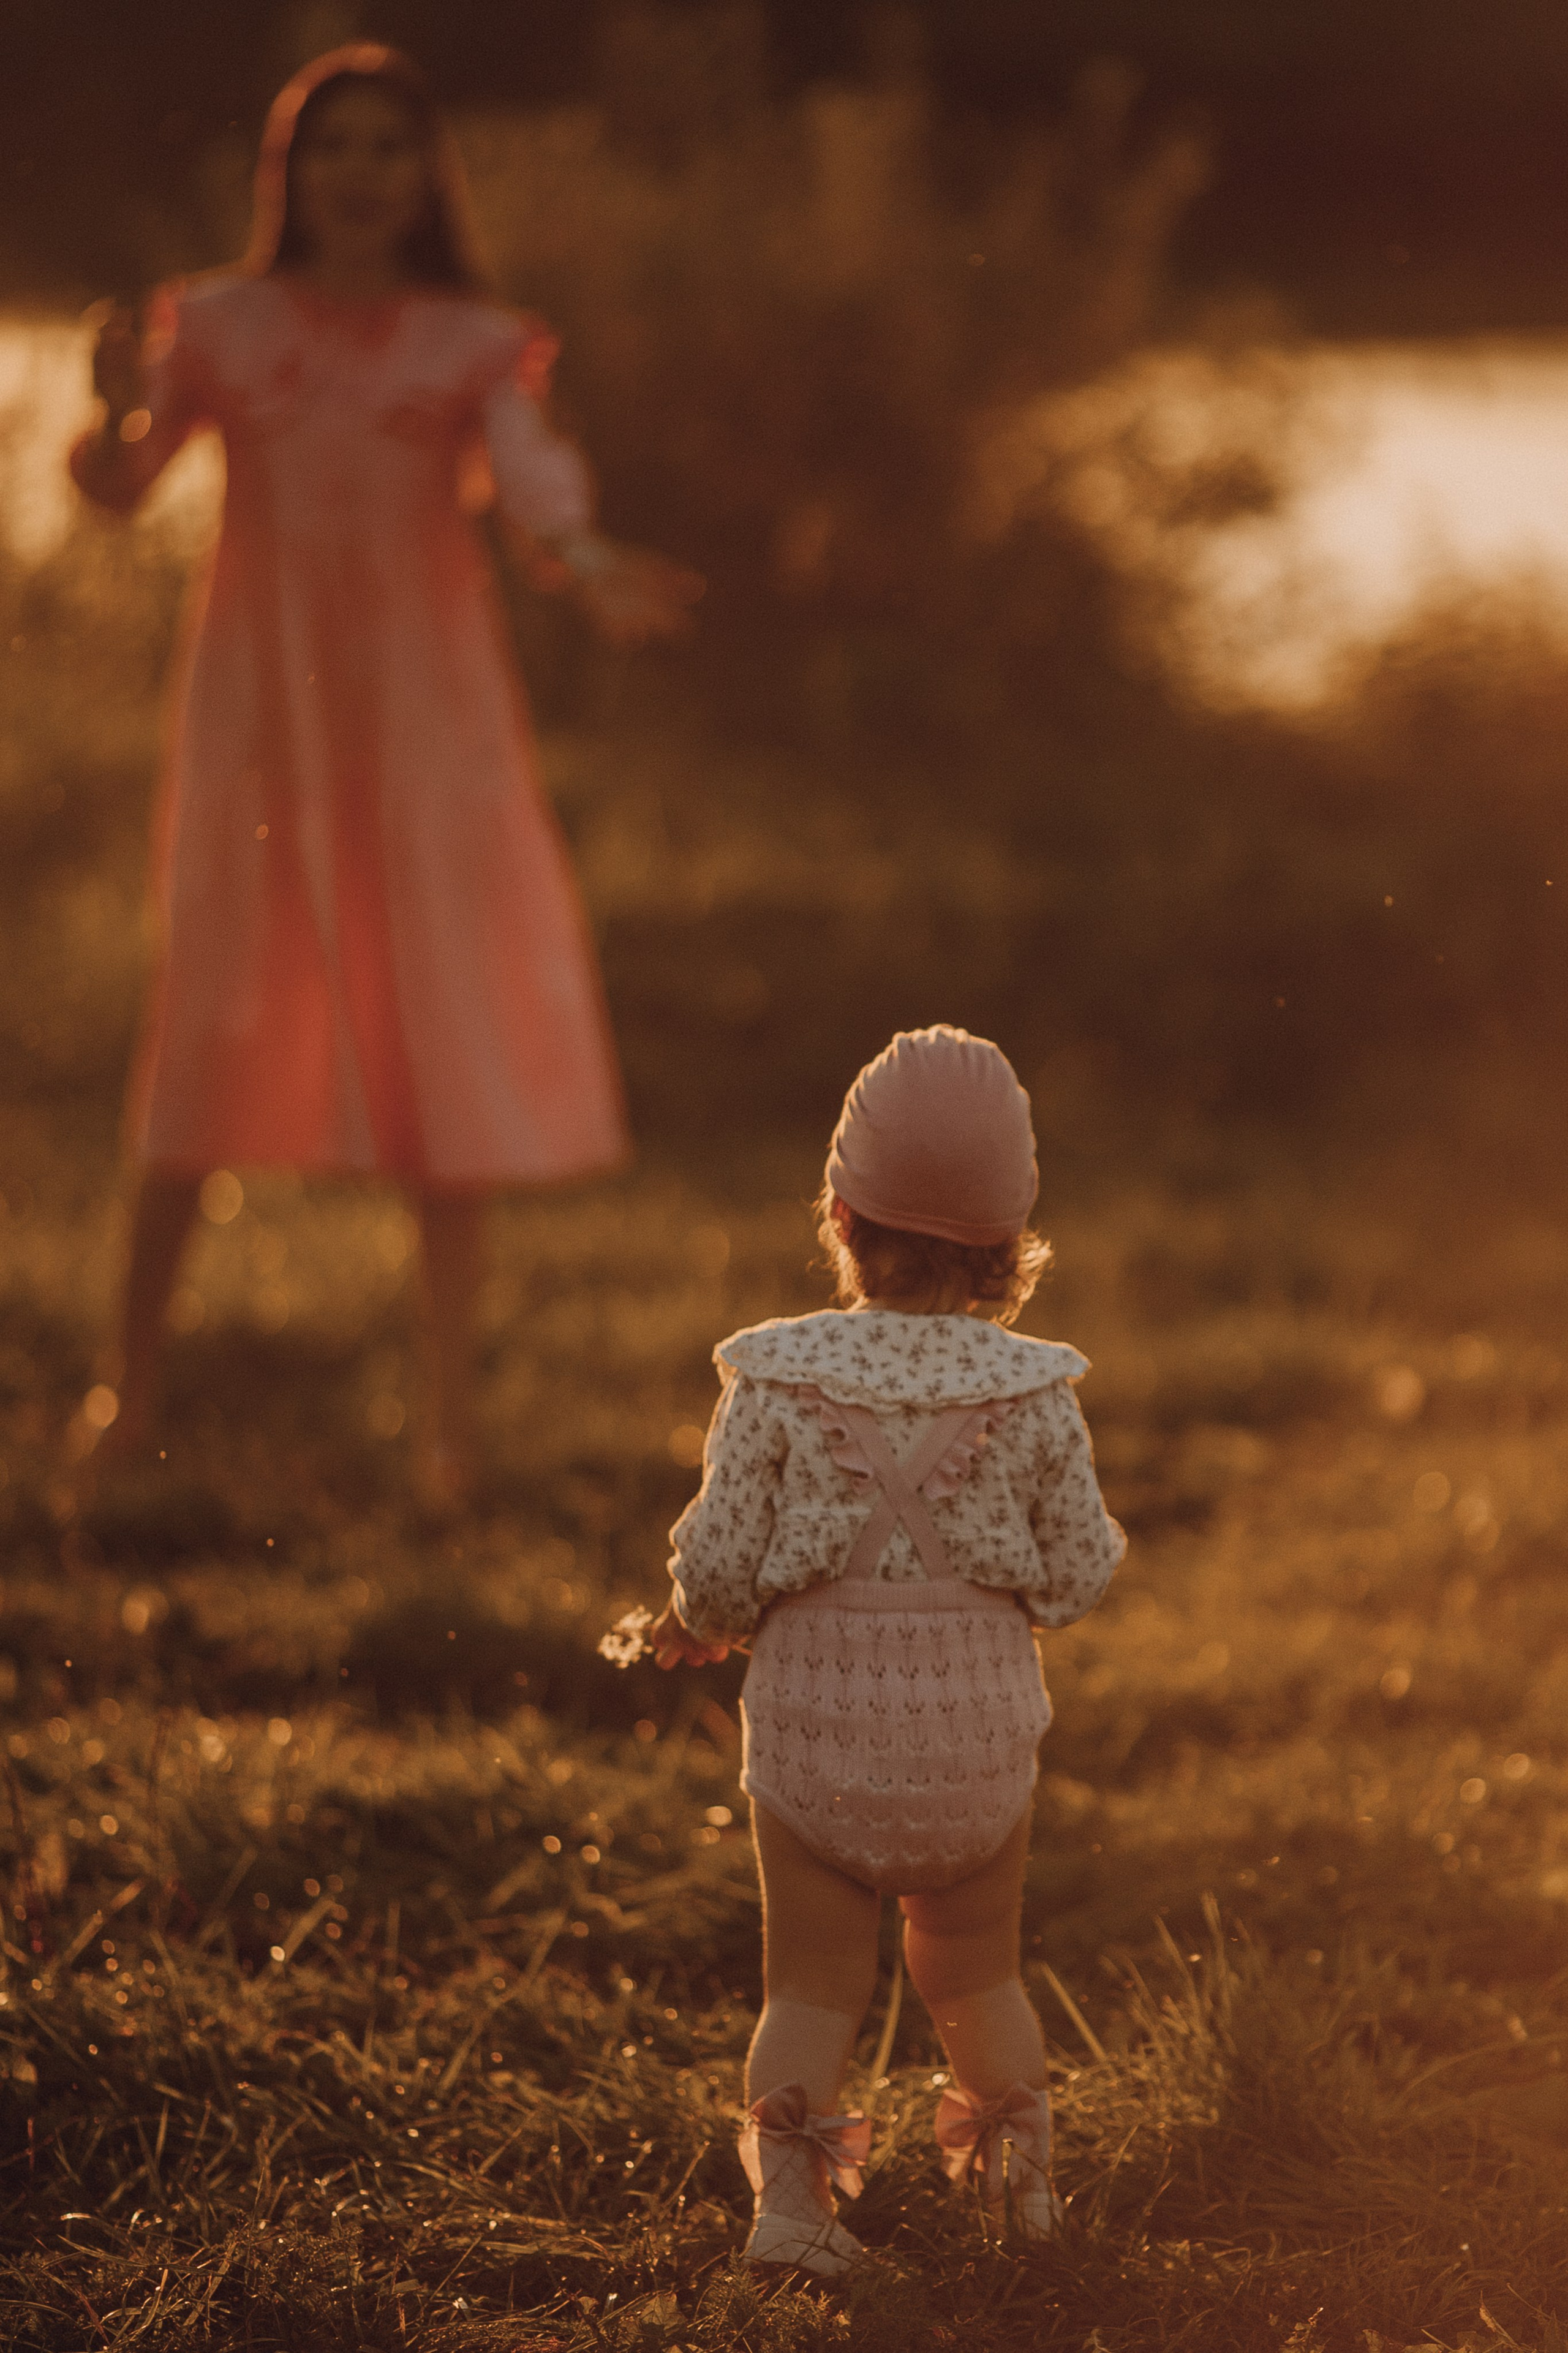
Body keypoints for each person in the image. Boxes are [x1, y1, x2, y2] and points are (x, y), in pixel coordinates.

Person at [70, 43, 699, 1498]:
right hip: (258, 720)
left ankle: (446, 1423)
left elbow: (533, 486)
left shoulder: (472, 342)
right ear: (288, 172)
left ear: (427, 177)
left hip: (426, 729)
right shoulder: (218, 325)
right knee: (211, 1006)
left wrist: (586, 559)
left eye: (385, 148)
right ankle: (126, 1391)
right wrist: (109, 407)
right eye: (330, 147)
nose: (359, 175)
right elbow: (118, 493)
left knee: (439, 1018)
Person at [638, 1025, 1126, 2273]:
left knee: (808, 1989)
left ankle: (790, 2214)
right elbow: (1076, 1570)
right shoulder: (1031, 1389)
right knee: (975, 1976)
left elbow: (718, 1560)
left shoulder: (776, 1374)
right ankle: (1020, 2191)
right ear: (1009, 1244)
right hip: (971, 1743)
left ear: (840, 1213)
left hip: (812, 1736)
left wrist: (698, 1620)